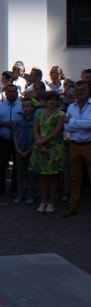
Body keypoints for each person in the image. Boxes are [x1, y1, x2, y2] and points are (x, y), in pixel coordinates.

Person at [29, 92, 66, 214]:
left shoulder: (61, 114)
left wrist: (42, 142)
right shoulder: (38, 113)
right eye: (50, 99)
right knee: (42, 176)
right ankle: (43, 201)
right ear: (45, 101)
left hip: (54, 147)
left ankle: (51, 202)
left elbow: (57, 132)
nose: (52, 102)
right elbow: (35, 130)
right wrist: (40, 143)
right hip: (40, 146)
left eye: (54, 100)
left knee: (54, 176)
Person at [61, 79, 91, 217]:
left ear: (88, 91)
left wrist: (72, 122)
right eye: (78, 90)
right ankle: (73, 206)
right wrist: (76, 124)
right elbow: (65, 126)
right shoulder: (71, 107)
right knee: (74, 178)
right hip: (74, 145)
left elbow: (89, 124)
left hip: (89, 145)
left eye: (82, 90)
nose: (80, 92)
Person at [0, 84, 21, 197]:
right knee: (1, 166)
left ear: (17, 93)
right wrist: (4, 124)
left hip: (17, 141)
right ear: (6, 93)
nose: (12, 94)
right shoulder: (0, 106)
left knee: (17, 167)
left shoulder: (22, 107)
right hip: (3, 140)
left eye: (14, 91)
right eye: (10, 92)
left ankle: (14, 190)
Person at [13, 98, 36, 204]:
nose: (26, 109)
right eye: (24, 107)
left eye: (28, 106)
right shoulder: (19, 120)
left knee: (31, 173)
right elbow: (15, 135)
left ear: (32, 108)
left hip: (31, 150)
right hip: (20, 150)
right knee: (20, 173)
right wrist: (17, 148)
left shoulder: (35, 120)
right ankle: (19, 194)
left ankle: (30, 195)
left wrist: (30, 149)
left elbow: (36, 137)